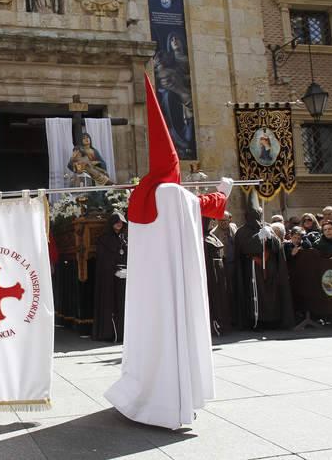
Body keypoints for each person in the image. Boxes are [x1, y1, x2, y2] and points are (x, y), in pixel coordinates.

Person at [105, 74, 232, 429]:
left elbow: (192, 203)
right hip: (171, 283)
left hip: (149, 287)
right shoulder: (171, 194)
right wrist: (223, 190)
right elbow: (205, 204)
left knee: (150, 336)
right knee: (173, 333)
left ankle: (143, 393)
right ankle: (168, 403)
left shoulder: (142, 193)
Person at [233, 189, 294, 330]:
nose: (255, 217)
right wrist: (258, 238)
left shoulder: (267, 227)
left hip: (270, 268)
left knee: (272, 296)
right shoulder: (242, 231)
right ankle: (257, 321)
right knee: (256, 297)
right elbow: (245, 248)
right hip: (253, 269)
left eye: (258, 215)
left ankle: (273, 319)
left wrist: (271, 237)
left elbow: (277, 247)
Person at [92, 212, 127, 342]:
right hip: (109, 278)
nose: (119, 224)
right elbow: (103, 259)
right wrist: (114, 270)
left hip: (124, 277)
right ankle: (109, 333)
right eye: (117, 221)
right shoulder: (103, 239)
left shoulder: (124, 238)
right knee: (110, 304)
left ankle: (122, 333)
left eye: (121, 222)